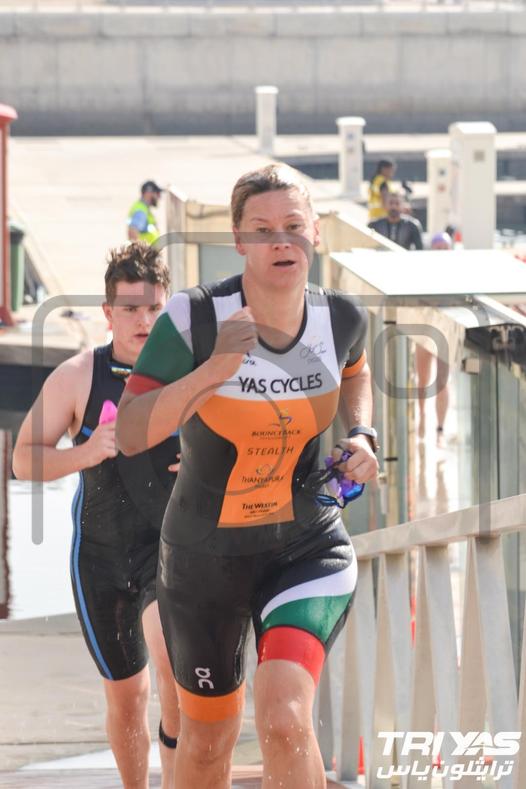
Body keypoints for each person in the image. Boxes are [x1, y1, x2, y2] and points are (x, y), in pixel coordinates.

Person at [116, 164, 379, 788]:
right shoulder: (194, 317)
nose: (280, 241)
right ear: (238, 240)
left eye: (293, 225)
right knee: (209, 740)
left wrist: (362, 433)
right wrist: (214, 370)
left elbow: (356, 370)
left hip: (306, 546)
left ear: (315, 232)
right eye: (261, 230)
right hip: (204, 557)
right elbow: (129, 432)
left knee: (286, 718)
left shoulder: (341, 318)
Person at [12, 242, 180, 789]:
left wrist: (207, 457)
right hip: (101, 559)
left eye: (153, 308)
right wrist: (86, 452)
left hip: (169, 553)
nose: (143, 321)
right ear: (108, 313)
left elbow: (241, 441)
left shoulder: (190, 374)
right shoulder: (79, 375)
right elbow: (23, 459)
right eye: (130, 309)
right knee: (128, 697)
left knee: (174, 676)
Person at [415, 231, 452, 446]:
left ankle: (440, 429)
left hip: (445, 333)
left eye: (444, 248)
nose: (441, 252)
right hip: (425, 331)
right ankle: (422, 416)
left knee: (442, 382)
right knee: (423, 379)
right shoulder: (424, 272)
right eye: (438, 248)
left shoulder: (456, 274)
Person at [127, 181, 163, 245]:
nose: (159, 197)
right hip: (147, 251)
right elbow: (132, 233)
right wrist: (139, 250)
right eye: (157, 193)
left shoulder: (144, 209)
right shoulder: (141, 211)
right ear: (148, 194)